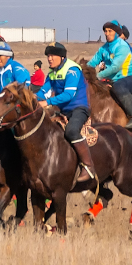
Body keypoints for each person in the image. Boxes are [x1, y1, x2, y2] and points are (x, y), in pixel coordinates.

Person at [36, 42, 95, 183]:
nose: (49, 58)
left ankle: (88, 166)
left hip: (79, 109)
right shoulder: (52, 73)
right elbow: (43, 92)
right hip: (63, 111)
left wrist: (47, 103)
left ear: (62, 57)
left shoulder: (72, 70)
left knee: (71, 131)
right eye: (48, 56)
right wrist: (31, 99)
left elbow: (69, 95)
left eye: (52, 55)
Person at [88, 20, 132, 130]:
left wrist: (97, 76)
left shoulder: (122, 46)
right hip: (111, 80)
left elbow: (115, 67)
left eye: (110, 31)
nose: (107, 33)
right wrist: (82, 70)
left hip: (127, 78)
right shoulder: (103, 48)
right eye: (105, 31)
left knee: (118, 87)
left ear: (116, 32)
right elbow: (92, 62)